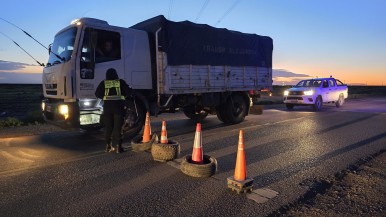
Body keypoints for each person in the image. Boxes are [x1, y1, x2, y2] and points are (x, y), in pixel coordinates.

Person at [95, 68, 132, 153]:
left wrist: (105, 97)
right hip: (118, 109)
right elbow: (129, 92)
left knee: (108, 127)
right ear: (116, 74)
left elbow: (97, 94)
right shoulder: (120, 82)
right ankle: (118, 147)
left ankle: (108, 146)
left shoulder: (103, 83)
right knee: (118, 127)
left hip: (107, 109)